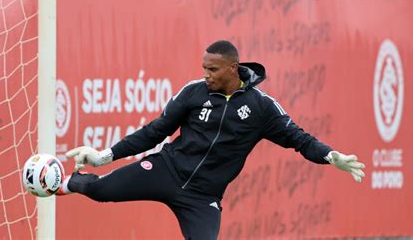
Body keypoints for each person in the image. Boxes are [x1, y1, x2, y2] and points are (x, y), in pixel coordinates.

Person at [60, 40, 365, 240]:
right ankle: (66, 182)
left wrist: (329, 156)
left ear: (233, 68)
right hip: (166, 170)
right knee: (100, 190)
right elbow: (155, 131)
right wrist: (104, 156)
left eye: (213, 69)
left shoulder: (261, 107)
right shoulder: (193, 92)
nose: (206, 75)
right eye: (204, 68)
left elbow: (299, 138)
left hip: (202, 197)